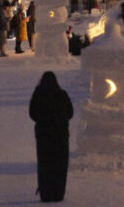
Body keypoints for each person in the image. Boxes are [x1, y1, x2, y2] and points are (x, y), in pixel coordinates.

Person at [29, 71, 73, 202]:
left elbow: (32, 113)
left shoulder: (38, 95)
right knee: (60, 166)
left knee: (45, 165)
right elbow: (70, 113)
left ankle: (46, 193)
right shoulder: (62, 95)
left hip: (43, 137)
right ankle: (58, 193)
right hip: (61, 137)